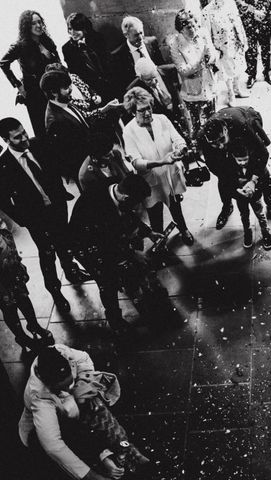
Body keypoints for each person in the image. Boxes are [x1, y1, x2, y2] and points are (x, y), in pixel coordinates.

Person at [0, 117, 91, 313]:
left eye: (24, 132)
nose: (25, 138)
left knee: (65, 243)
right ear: (6, 141)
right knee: (47, 255)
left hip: (57, 208)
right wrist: (23, 219)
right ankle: (55, 291)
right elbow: (3, 200)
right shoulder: (3, 166)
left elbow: (55, 165)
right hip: (36, 219)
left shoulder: (38, 145)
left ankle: (71, 271)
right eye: (17, 137)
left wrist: (60, 194)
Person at [19, 345, 148, 480]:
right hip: (45, 431)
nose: (68, 388)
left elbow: (84, 359)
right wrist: (92, 476)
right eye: (62, 387)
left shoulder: (62, 352)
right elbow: (53, 446)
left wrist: (80, 385)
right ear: (48, 383)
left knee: (96, 408)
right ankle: (101, 459)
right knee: (61, 460)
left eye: (69, 382)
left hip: (73, 417)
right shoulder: (38, 397)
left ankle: (127, 451)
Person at [68, 175, 166, 334]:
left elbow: (128, 215)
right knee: (107, 281)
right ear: (126, 197)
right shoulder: (96, 208)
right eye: (136, 202)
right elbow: (107, 243)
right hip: (86, 245)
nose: (137, 207)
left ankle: (135, 293)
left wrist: (149, 233)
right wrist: (132, 254)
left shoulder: (117, 188)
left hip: (107, 238)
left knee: (125, 268)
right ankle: (115, 319)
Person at [122, 87, 194, 245]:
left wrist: (180, 148)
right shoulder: (129, 131)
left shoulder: (162, 119)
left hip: (169, 175)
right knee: (155, 215)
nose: (147, 113)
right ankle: (161, 243)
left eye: (149, 108)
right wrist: (161, 162)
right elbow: (136, 162)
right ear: (133, 111)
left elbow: (177, 138)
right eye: (142, 110)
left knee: (176, 206)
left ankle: (184, 229)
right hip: (150, 181)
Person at [198, 106, 271, 228]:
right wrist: (233, 181)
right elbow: (212, 165)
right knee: (223, 182)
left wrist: (253, 180)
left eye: (221, 140)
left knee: (262, 173)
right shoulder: (203, 137)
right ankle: (227, 207)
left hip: (245, 118)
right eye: (215, 143)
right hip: (230, 131)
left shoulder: (243, 126)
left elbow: (263, 153)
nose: (220, 146)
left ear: (226, 130)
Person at [0, 10, 60, 137]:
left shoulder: (47, 41)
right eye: (33, 23)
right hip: (34, 93)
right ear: (26, 26)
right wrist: (18, 85)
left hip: (53, 90)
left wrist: (49, 55)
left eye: (39, 22)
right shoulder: (19, 46)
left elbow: (58, 63)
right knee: (43, 129)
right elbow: (3, 63)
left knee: (60, 125)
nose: (38, 25)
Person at [0, 219, 54, 355]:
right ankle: (22, 337)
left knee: (22, 296)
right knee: (8, 306)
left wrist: (16, 260)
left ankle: (33, 324)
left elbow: (7, 236)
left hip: (9, 264)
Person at [169, 9, 218, 142]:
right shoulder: (175, 45)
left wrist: (211, 58)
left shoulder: (202, 33)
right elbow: (183, 70)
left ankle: (214, 145)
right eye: (188, 26)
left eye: (194, 24)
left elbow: (212, 52)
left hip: (209, 84)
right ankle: (199, 148)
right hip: (192, 91)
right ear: (181, 29)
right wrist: (201, 60)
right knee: (196, 126)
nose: (193, 29)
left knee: (213, 119)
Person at [40, 65, 91, 181]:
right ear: (53, 92)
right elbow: (71, 155)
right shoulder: (55, 122)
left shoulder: (64, 101)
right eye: (66, 87)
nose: (70, 90)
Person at [110, 16, 177, 99]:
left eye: (141, 33)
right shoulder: (118, 56)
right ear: (126, 35)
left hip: (162, 88)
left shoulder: (152, 42)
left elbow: (161, 65)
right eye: (136, 35)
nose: (141, 38)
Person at [202, 0, 251, 106]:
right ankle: (231, 93)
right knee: (226, 71)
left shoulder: (230, 3)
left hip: (235, 41)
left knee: (238, 66)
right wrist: (213, 50)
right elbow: (207, 34)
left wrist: (243, 39)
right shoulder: (207, 11)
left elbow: (238, 22)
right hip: (222, 47)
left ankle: (237, 88)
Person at [226, 143, 271, 249]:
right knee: (244, 216)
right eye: (239, 160)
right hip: (240, 197)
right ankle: (247, 232)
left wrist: (255, 188)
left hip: (255, 196)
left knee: (260, 215)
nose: (243, 162)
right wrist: (238, 190)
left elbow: (262, 179)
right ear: (234, 158)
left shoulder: (256, 165)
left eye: (245, 159)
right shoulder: (230, 166)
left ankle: (265, 232)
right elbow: (229, 182)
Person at [62, 12, 113, 101]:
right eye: (70, 29)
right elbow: (76, 75)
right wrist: (91, 93)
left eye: (76, 29)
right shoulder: (67, 49)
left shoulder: (97, 38)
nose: (72, 32)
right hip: (92, 90)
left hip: (110, 81)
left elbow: (107, 61)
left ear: (84, 28)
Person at [236, 0, 271, 87]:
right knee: (250, 47)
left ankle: (268, 72)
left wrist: (264, 10)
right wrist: (252, 11)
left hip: (266, 15)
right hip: (248, 16)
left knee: (268, 46)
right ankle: (251, 74)